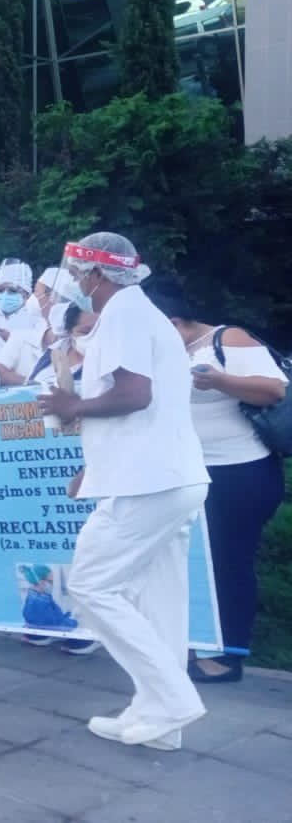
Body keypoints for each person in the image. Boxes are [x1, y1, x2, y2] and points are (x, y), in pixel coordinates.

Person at [38, 232, 210, 751]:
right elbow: (144, 410)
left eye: (75, 271)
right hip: (167, 479)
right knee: (159, 601)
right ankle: (161, 720)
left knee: (92, 586)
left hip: (147, 484)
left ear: (96, 274)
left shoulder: (122, 315)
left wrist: (74, 408)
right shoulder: (141, 314)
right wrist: (93, 469)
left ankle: (173, 698)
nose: (71, 281)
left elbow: (135, 394)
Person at [149, 285, 287, 685]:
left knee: (229, 563)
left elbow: (274, 389)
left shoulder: (228, 339)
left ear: (174, 322)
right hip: (193, 473)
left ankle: (227, 657)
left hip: (241, 473)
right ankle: (195, 643)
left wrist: (220, 381)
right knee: (195, 564)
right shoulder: (169, 353)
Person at [19, 302, 102, 655]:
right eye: (85, 331)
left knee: (89, 546)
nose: (93, 337)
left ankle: (88, 625)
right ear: (68, 330)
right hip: (42, 464)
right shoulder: (49, 358)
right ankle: (44, 617)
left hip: (91, 463)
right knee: (50, 546)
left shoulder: (112, 362)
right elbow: (21, 399)